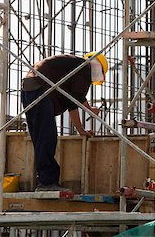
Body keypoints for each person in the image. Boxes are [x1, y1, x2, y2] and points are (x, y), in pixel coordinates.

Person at [21, 52, 108, 192]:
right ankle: (47, 182)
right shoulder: (84, 67)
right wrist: (90, 109)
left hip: (29, 89)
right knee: (47, 138)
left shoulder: (71, 70)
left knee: (40, 139)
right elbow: (77, 97)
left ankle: (44, 180)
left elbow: (72, 104)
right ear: (99, 68)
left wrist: (81, 130)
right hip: (40, 88)